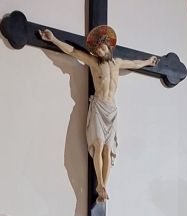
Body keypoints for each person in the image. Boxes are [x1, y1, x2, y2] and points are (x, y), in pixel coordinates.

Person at [39, 25, 158, 202]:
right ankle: (100, 183)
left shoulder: (118, 63)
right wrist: (53, 39)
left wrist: (148, 62)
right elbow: (73, 52)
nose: (100, 52)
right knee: (99, 144)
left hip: (112, 110)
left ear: (108, 46)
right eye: (97, 51)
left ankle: (104, 187)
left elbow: (134, 64)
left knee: (108, 149)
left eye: (102, 48)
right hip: (99, 106)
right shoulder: (94, 63)